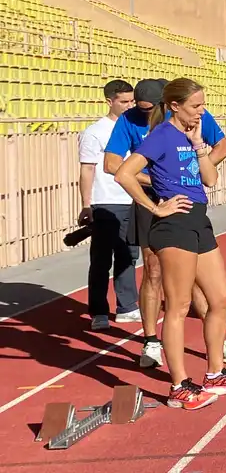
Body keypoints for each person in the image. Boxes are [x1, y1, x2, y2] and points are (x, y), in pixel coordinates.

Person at [113, 78, 226, 410]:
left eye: (203, 105)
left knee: (221, 298)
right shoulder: (161, 135)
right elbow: (123, 173)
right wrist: (155, 207)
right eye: (196, 106)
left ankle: (215, 374)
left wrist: (198, 144)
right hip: (173, 225)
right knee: (178, 306)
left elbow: (210, 179)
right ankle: (178, 385)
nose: (201, 111)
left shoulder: (189, 136)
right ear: (175, 106)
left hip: (198, 221)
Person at [78, 79, 140, 331]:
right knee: (102, 259)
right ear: (109, 101)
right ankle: (99, 311)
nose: (129, 106)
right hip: (106, 201)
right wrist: (87, 204)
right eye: (124, 101)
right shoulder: (95, 132)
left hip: (132, 199)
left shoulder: (136, 126)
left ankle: (127, 307)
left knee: (129, 255)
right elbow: (87, 169)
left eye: (132, 101)